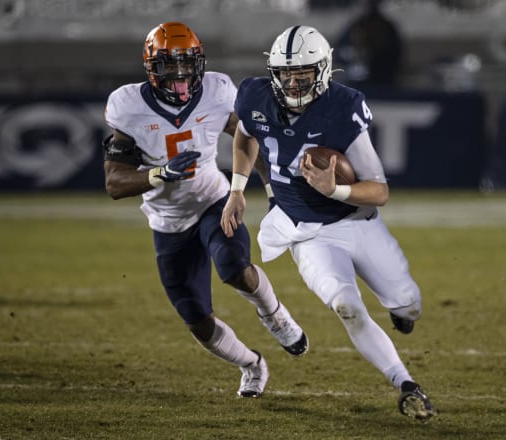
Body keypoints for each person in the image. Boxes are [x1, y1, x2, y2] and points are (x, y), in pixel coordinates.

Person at [220, 25, 435, 420]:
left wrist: (333, 189)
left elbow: (379, 191)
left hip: (356, 220)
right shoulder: (253, 95)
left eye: (302, 71)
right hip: (306, 232)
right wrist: (237, 189)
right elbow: (245, 137)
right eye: (286, 72)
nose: (293, 80)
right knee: (347, 307)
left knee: (409, 304)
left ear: (323, 70)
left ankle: (400, 311)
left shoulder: (343, 106)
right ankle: (406, 384)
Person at [102, 22, 308, 398]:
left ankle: (276, 315)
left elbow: (247, 136)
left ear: (200, 64)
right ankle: (252, 364)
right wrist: (159, 174)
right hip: (168, 222)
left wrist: (269, 189)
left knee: (233, 266)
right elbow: (115, 183)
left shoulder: (217, 90)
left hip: (213, 199)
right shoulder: (128, 106)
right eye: (169, 67)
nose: (180, 77)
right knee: (196, 318)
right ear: (151, 68)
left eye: (186, 66)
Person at [334, 0, 403, 89]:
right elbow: (340, 53)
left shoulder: (387, 28)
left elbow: (394, 56)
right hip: (355, 83)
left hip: (382, 83)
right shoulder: (354, 27)